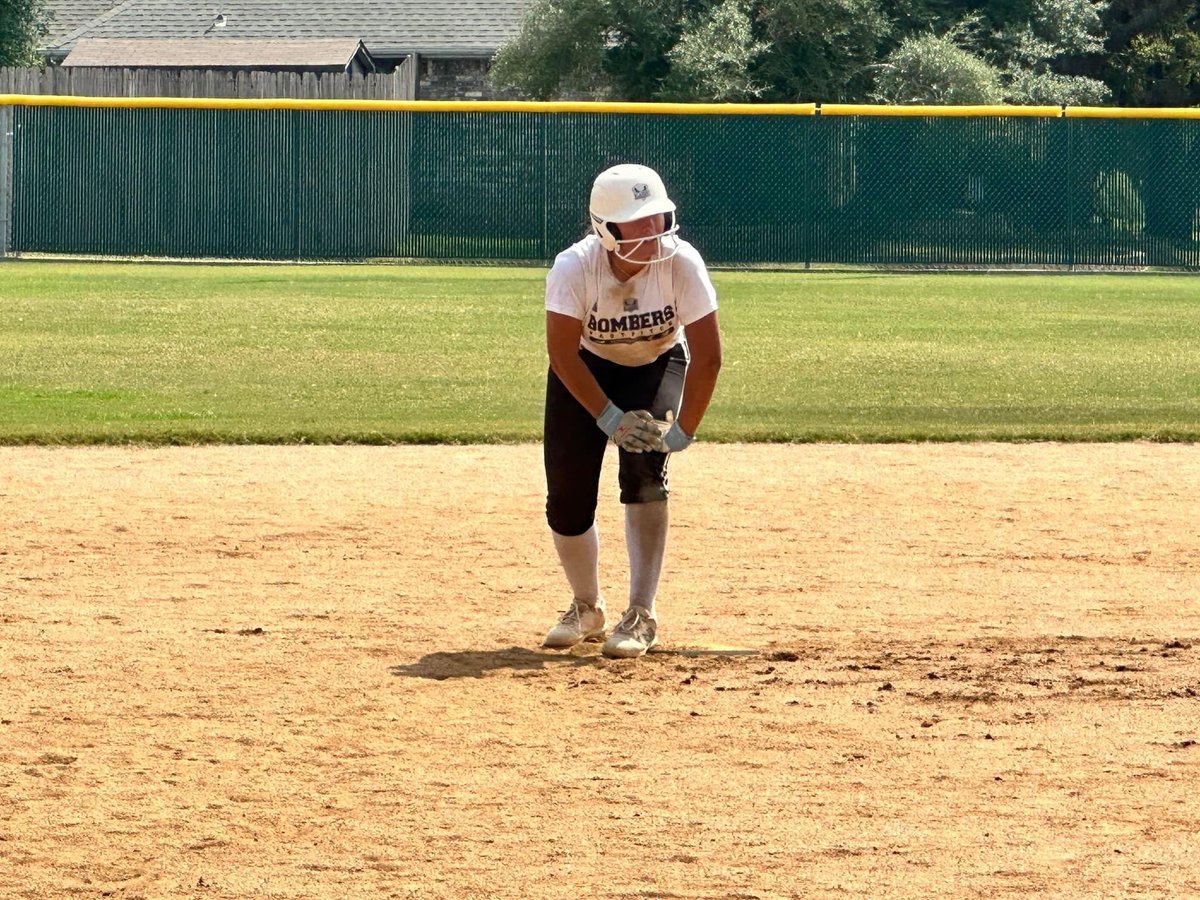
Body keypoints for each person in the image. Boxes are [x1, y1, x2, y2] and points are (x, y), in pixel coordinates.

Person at [541, 163, 723, 659]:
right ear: (605, 227)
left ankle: (641, 613)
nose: (653, 233)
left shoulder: (681, 262)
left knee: (644, 473)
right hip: (585, 369)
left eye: (657, 219)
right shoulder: (574, 267)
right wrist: (607, 416)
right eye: (637, 223)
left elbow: (708, 357)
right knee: (567, 494)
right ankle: (587, 607)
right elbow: (561, 353)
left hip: (656, 363)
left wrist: (683, 430)